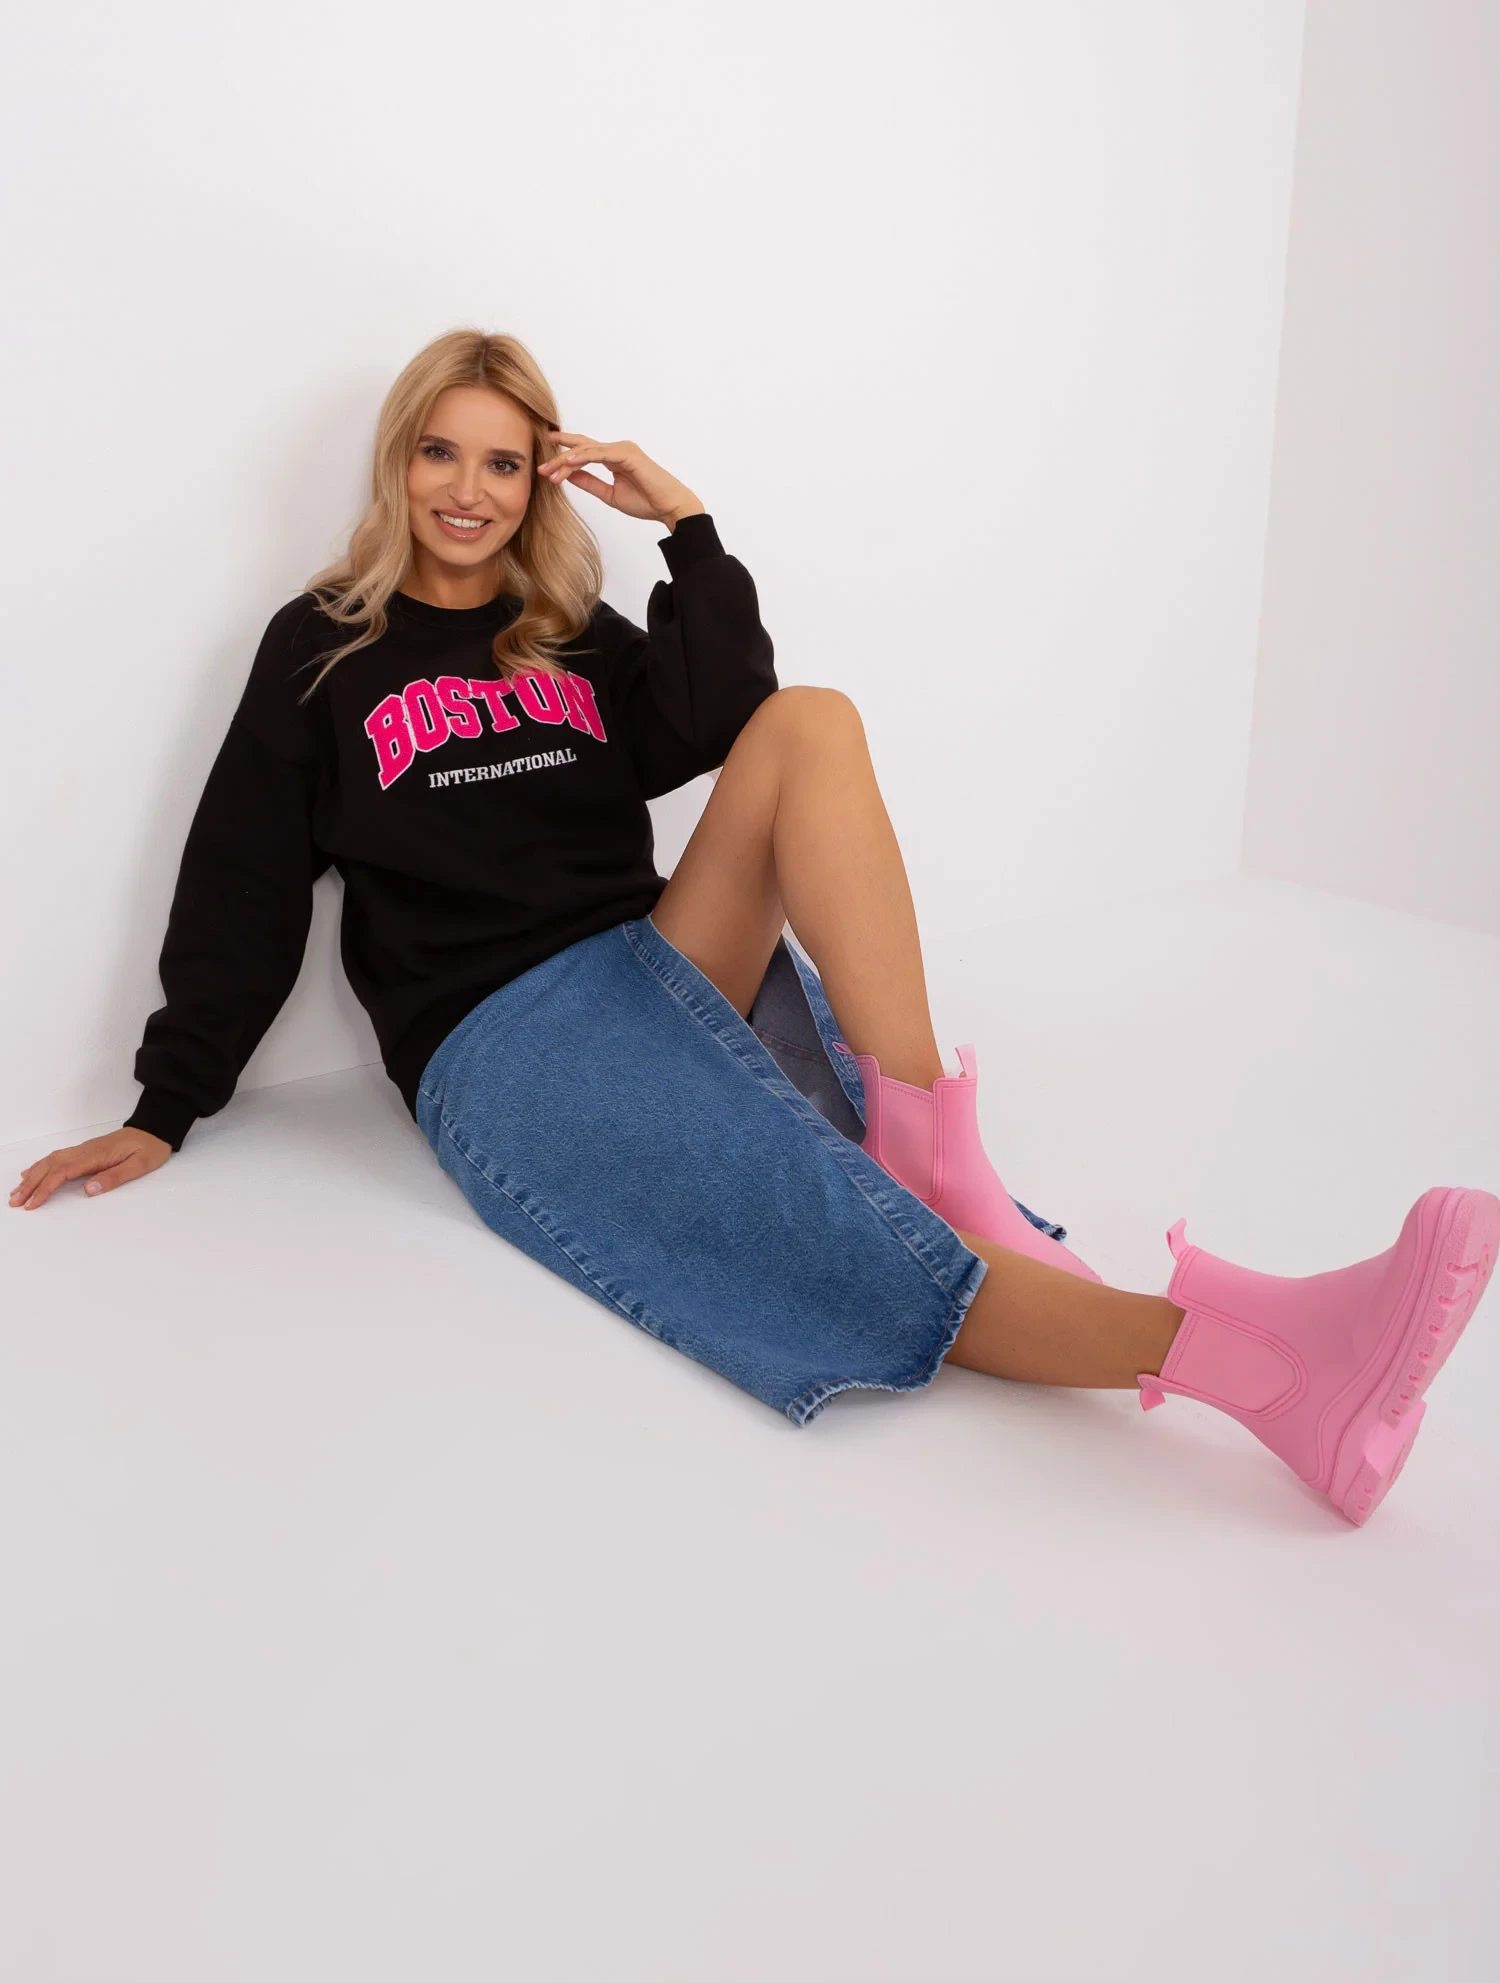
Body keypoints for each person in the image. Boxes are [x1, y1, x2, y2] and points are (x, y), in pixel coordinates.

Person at [10, 327, 1495, 1529]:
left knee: (811, 720)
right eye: (439, 451)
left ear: (541, 481)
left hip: (647, 963)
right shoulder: (322, 646)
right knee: (830, 1234)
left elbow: (728, 716)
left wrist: (689, 529)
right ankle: (1272, 1368)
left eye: (505, 462)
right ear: (397, 461)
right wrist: (168, 1103)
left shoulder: (562, 637)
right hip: (505, 1041)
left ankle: (931, 1142)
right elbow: (243, 876)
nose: (468, 490)